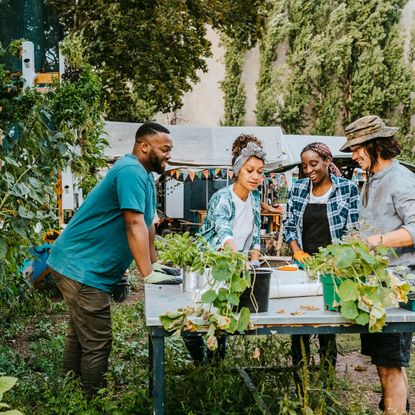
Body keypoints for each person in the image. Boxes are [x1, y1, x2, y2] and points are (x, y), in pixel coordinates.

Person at [47, 122, 181, 395]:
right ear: (145, 145)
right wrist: (146, 274)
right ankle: (92, 400)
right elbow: (132, 223)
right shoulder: (130, 171)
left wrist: (154, 263)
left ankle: (69, 392)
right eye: (165, 149)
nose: (169, 155)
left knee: (79, 333)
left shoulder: (144, 175)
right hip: (81, 268)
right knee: (97, 341)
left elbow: (148, 225)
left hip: (76, 264)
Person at [341, 115, 415, 414]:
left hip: (396, 288)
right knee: (385, 363)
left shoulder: (400, 179)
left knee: (391, 365)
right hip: (375, 288)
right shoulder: (372, 179)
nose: (354, 155)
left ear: (376, 145)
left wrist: (377, 240)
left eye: (358, 148)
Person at [185, 134, 266, 364]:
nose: (255, 176)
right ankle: (200, 362)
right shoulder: (223, 198)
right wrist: (236, 255)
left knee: (221, 317)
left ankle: (214, 367)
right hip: (208, 266)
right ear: (237, 170)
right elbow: (224, 232)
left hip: (231, 268)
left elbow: (256, 234)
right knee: (194, 318)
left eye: (260, 172)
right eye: (249, 170)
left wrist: (255, 261)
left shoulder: (254, 198)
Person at [283, 142, 360, 386]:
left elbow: (354, 229)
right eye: (305, 166)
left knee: (328, 322)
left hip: (333, 266)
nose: (309, 170)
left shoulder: (347, 189)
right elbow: (289, 225)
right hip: (303, 266)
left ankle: (327, 381)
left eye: (314, 164)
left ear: (328, 161)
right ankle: (300, 382)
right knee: (299, 323)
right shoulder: (298, 189)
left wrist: (340, 260)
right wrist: (297, 252)